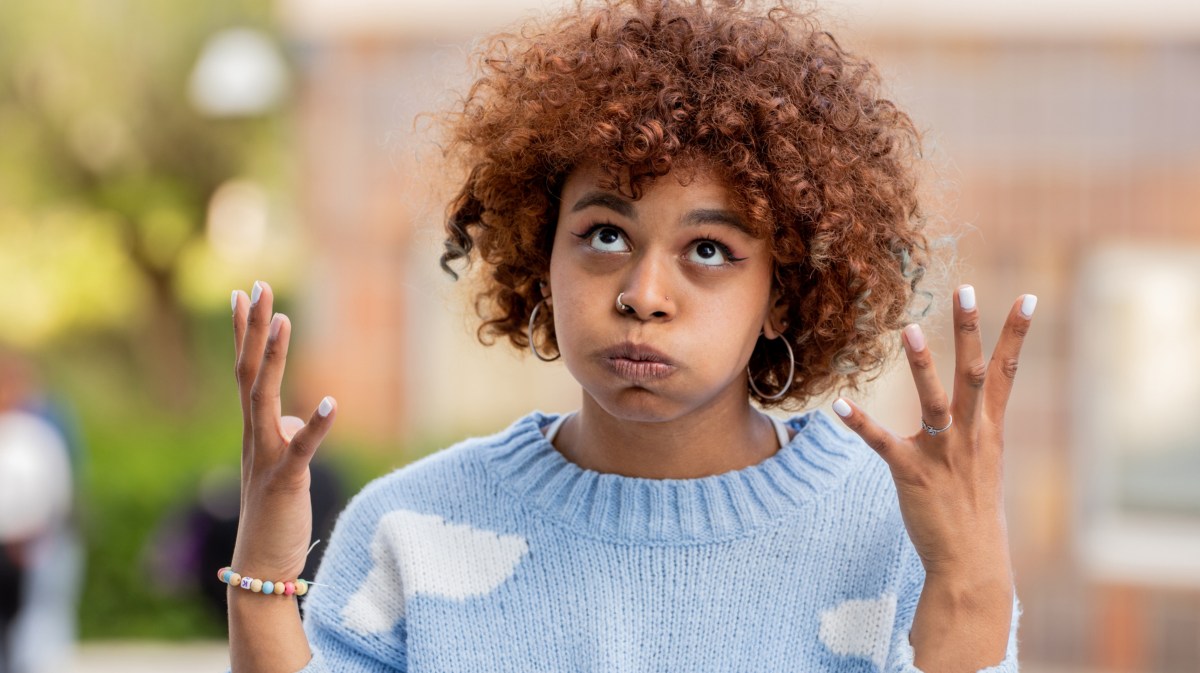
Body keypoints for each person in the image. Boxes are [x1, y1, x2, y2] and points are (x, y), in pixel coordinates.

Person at [224, 1, 1036, 671]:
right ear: (542, 253)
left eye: (709, 251)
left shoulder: (892, 530)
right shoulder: (412, 528)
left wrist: (968, 573)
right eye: (607, 234)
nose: (644, 295)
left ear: (782, 295)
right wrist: (261, 568)